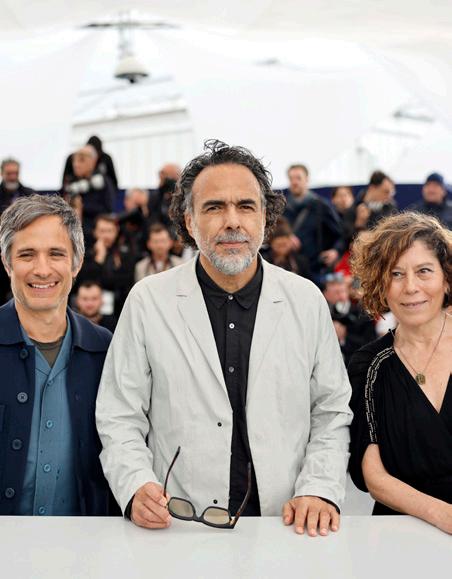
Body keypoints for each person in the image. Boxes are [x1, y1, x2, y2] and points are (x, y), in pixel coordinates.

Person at [96, 140, 352, 536]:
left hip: (286, 522)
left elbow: (331, 410)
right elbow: (119, 412)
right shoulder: (148, 300)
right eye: (214, 207)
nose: (232, 221)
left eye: (246, 206)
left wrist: (319, 488)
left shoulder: (305, 301)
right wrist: (135, 485)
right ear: (189, 221)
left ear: (266, 218)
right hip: (177, 522)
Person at [0, 194, 119, 516]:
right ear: (7, 263)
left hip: (84, 542)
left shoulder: (105, 350)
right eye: (27, 254)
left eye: (56, 254)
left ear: (76, 263)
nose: (42, 269)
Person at [348, 212, 452, 534]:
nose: (410, 287)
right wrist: (443, 515)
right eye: (396, 274)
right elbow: (374, 476)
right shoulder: (369, 364)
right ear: (381, 284)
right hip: (398, 536)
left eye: (424, 271)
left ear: (446, 278)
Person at [282, 164, 344, 285]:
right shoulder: (282, 207)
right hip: (290, 269)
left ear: (307, 180)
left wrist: (335, 251)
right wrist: (286, 236)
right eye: (291, 178)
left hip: (316, 270)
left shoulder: (321, 206)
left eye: (298, 178)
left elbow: (340, 234)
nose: (294, 182)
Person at [76, 214, 135, 317]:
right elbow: (84, 281)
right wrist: (99, 259)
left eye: (110, 231)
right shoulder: (85, 254)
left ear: (116, 232)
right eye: (102, 231)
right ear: (95, 232)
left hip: (118, 308)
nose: (106, 235)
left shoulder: (125, 254)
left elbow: (124, 282)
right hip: (87, 308)